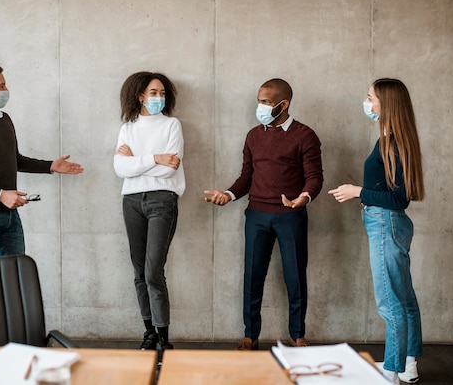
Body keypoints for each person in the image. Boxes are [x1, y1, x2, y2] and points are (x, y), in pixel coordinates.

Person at [204, 78, 323, 350]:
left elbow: (314, 177)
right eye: (259, 100)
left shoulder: (305, 136)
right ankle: (250, 335)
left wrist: (303, 198)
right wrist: (229, 194)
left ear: (284, 104)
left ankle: (297, 335)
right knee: (253, 276)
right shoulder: (253, 136)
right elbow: (246, 176)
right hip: (256, 215)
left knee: (294, 276)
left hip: (291, 216)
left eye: (266, 102)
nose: (260, 106)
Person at [328, 78, 424, 384]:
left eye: (370, 97)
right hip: (389, 223)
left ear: (386, 104)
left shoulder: (391, 142)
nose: (365, 101)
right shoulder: (394, 139)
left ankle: (390, 372)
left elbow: (398, 198)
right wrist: (359, 192)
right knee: (404, 297)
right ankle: (407, 365)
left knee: (390, 301)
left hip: (386, 223)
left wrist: (357, 191)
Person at [0, 63, 83, 260]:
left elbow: (15, 159)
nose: (6, 91)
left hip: (10, 215)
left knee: (14, 276)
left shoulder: (4, 119)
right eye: (1, 86)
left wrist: (50, 166)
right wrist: (0, 195)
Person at [113, 71, 185, 353]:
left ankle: (164, 338)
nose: (158, 98)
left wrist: (136, 162)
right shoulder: (128, 127)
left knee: (153, 271)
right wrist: (155, 157)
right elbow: (120, 168)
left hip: (162, 200)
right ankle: (149, 333)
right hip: (131, 201)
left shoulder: (171, 125)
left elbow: (171, 169)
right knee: (138, 271)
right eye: (153, 93)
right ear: (140, 95)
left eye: (162, 93)